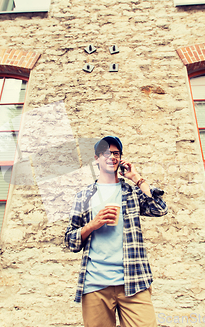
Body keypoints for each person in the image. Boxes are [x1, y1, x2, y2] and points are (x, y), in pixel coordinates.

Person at [64, 136, 168, 327]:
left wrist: (136, 178)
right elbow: (70, 241)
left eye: (115, 153)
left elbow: (160, 208)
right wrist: (92, 225)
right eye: (105, 153)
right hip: (95, 284)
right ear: (96, 158)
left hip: (134, 280)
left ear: (120, 158)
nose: (111, 156)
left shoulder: (131, 192)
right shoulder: (84, 196)